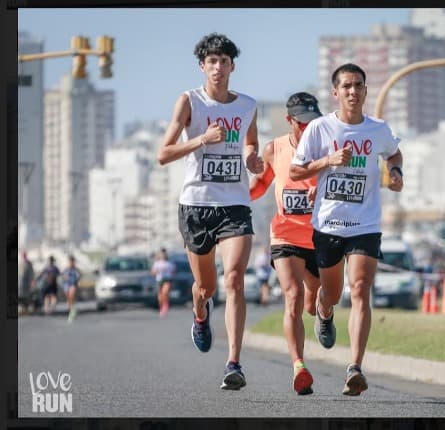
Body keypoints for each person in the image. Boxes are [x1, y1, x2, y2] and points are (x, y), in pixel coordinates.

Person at [157, 33, 263, 391]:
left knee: (234, 279)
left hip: (234, 203)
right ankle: (200, 314)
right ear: (202, 66)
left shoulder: (247, 105)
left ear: (233, 66)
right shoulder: (190, 101)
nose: (218, 67)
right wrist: (202, 138)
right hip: (196, 205)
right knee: (206, 286)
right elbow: (163, 153)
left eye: (224, 61)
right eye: (211, 61)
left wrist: (252, 158)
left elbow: (251, 143)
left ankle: (233, 362)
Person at [289, 63, 404, 396]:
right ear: (335, 92)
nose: (353, 92)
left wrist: (396, 173)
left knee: (361, 288)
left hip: (365, 223)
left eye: (359, 86)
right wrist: (328, 161)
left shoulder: (378, 129)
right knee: (332, 293)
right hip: (328, 224)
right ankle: (325, 313)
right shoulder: (320, 130)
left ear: (365, 91)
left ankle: (355, 367)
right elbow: (296, 172)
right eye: (347, 86)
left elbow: (394, 153)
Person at [249, 92, 323, 395]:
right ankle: (299, 366)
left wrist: (322, 192)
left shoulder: (327, 147)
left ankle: (323, 313)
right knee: (292, 295)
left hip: (320, 236)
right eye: (302, 123)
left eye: (312, 122)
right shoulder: (274, 149)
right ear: (289, 120)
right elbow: (260, 187)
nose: (308, 128)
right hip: (285, 234)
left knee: (313, 299)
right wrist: (234, 194)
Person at [151, 248, 176, 318]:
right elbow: (153, 272)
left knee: (165, 292)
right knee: (160, 296)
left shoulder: (170, 262)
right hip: (159, 280)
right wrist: (157, 271)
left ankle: (166, 305)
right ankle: (161, 307)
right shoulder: (157, 263)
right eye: (162, 254)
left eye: (164, 254)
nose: (163, 255)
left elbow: (174, 271)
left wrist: (170, 273)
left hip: (167, 279)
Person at [61, 255, 82, 322]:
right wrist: (65, 277)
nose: (71, 263)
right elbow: (63, 276)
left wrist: (77, 279)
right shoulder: (66, 269)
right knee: (68, 298)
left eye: (72, 261)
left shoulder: (76, 269)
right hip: (66, 284)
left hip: (73, 284)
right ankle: (71, 309)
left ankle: (72, 310)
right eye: (70, 261)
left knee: (71, 295)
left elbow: (80, 275)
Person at [18, 250, 35, 315]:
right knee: (20, 297)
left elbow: (32, 273)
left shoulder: (29, 263)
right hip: (20, 283)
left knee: (27, 297)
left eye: (24, 255)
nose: (23, 256)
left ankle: (26, 310)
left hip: (26, 283)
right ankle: (23, 310)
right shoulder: (20, 263)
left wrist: (32, 281)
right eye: (22, 255)